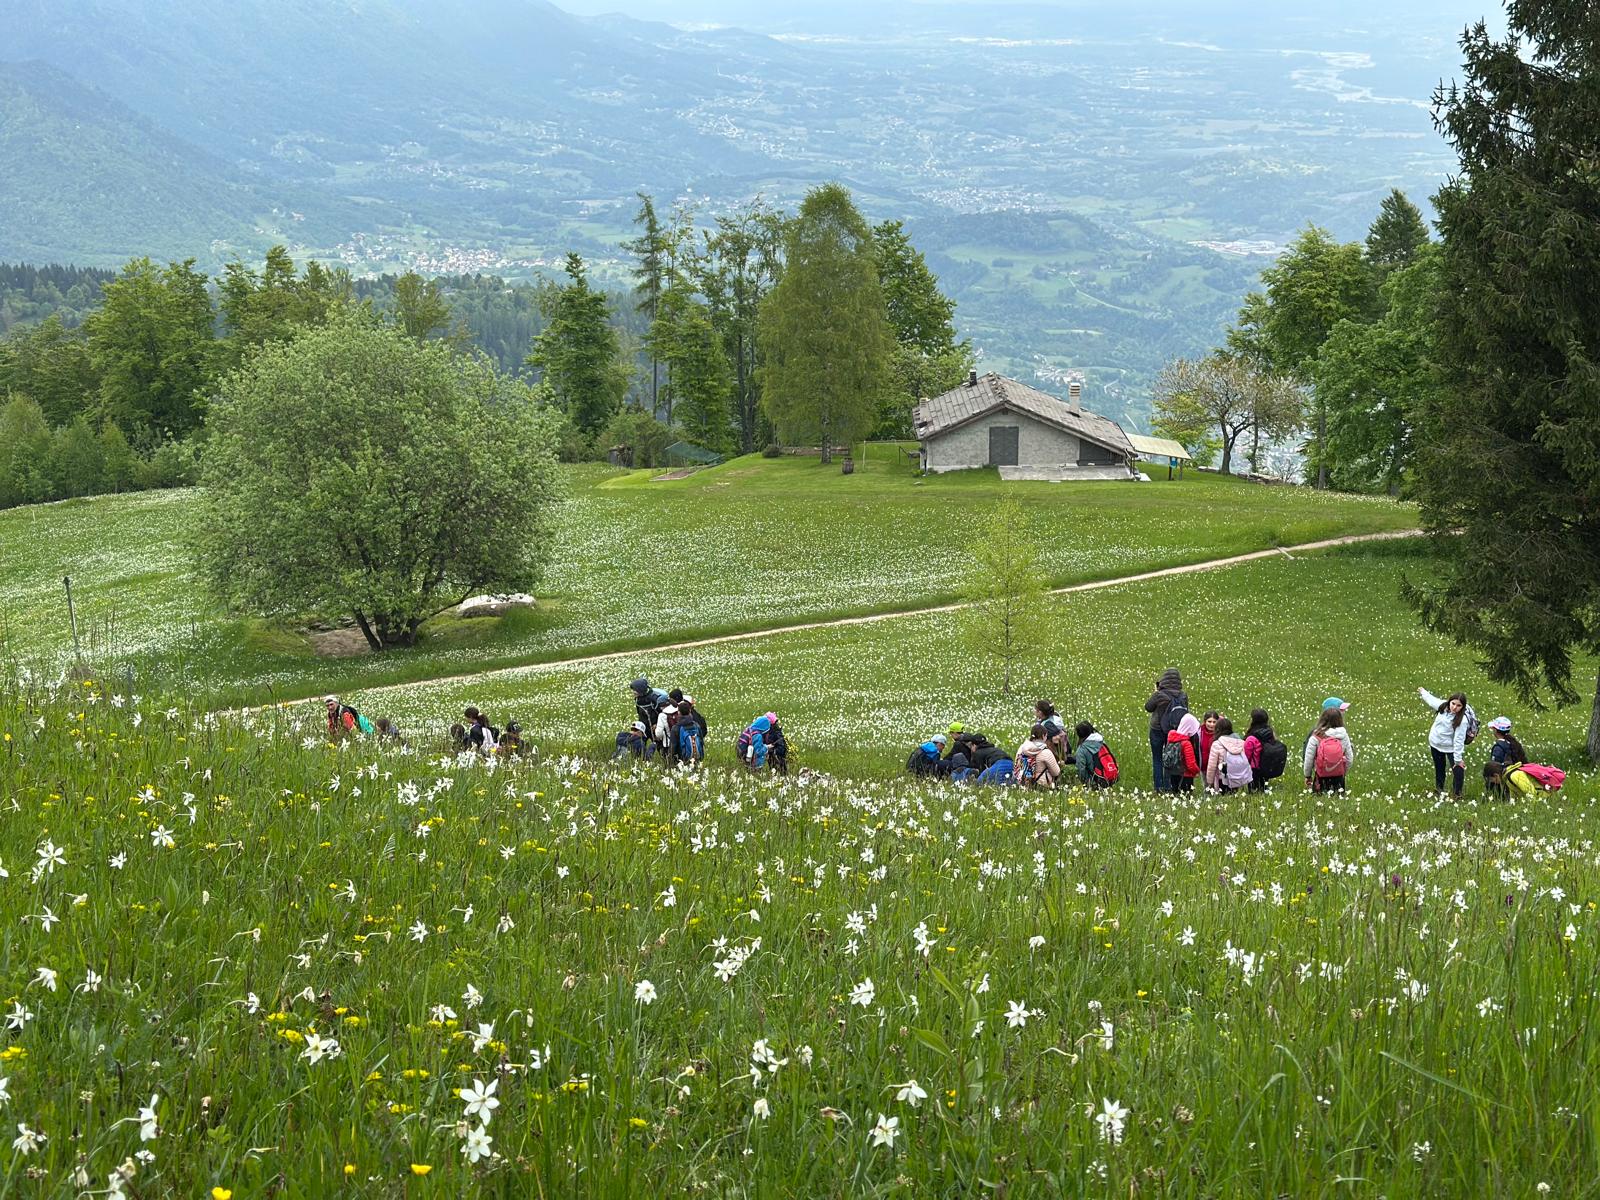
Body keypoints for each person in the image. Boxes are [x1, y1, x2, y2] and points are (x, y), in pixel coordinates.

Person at [1419, 687, 1470, 798]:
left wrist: (1457, 759)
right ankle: (1439, 789)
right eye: (1453, 703)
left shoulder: (1462, 720)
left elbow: (1459, 740)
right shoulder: (1443, 706)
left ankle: (1457, 794)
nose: (1455, 707)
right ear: (1449, 701)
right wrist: (1423, 692)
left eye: (1459, 705)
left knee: (1458, 769)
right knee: (1439, 767)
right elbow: (1432, 700)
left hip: (1450, 747)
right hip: (1435, 743)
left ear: (1463, 707)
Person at [1144, 669, 1187, 792]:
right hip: (1173, 730)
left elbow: (1148, 707)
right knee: (1170, 759)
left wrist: (1156, 692)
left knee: (1157, 759)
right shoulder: (1182, 695)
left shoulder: (1159, 695)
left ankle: (1159, 788)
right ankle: (1169, 787)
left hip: (1157, 729)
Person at [1303, 704, 1353, 792]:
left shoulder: (1316, 736)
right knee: (1338, 798)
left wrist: (1308, 776)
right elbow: (1349, 758)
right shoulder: (1344, 735)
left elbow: (1309, 759)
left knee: (1319, 798)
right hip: (1339, 777)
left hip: (1320, 776)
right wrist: (1343, 772)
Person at [1482, 716, 1528, 799]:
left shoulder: (1498, 747)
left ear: (1495, 730)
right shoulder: (1512, 743)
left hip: (1502, 778)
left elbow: (1495, 767)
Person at [1205, 716, 1253, 794]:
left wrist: (1210, 782)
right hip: (1239, 776)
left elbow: (1212, 766)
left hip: (1223, 778)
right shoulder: (1240, 742)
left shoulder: (1217, 744)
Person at [1243, 709, 1287, 792]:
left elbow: (1246, 756)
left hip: (1254, 769)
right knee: (1262, 786)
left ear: (1253, 721)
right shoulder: (1270, 733)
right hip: (1265, 765)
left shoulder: (1251, 738)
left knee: (1254, 789)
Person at [1163, 713, 1202, 793]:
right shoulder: (1186, 743)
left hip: (1173, 773)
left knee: (1174, 794)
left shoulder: (1171, 739)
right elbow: (1190, 764)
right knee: (1186, 799)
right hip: (1186, 776)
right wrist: (1197, 771)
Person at [1074, 721, 1118, 789]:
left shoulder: (1081, 749)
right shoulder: (1101, 741)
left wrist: (1088, 784)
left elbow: (1081, 770)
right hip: (1109, 776)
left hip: (1095, 781)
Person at [1014, 724, 1061, 789]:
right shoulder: (1046, 752)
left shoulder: (1022, 748)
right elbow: (1056, 772)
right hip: (1041, 786)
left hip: (1023, 785)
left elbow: (1016, 763)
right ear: (1043, 736)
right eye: (1046, 736)